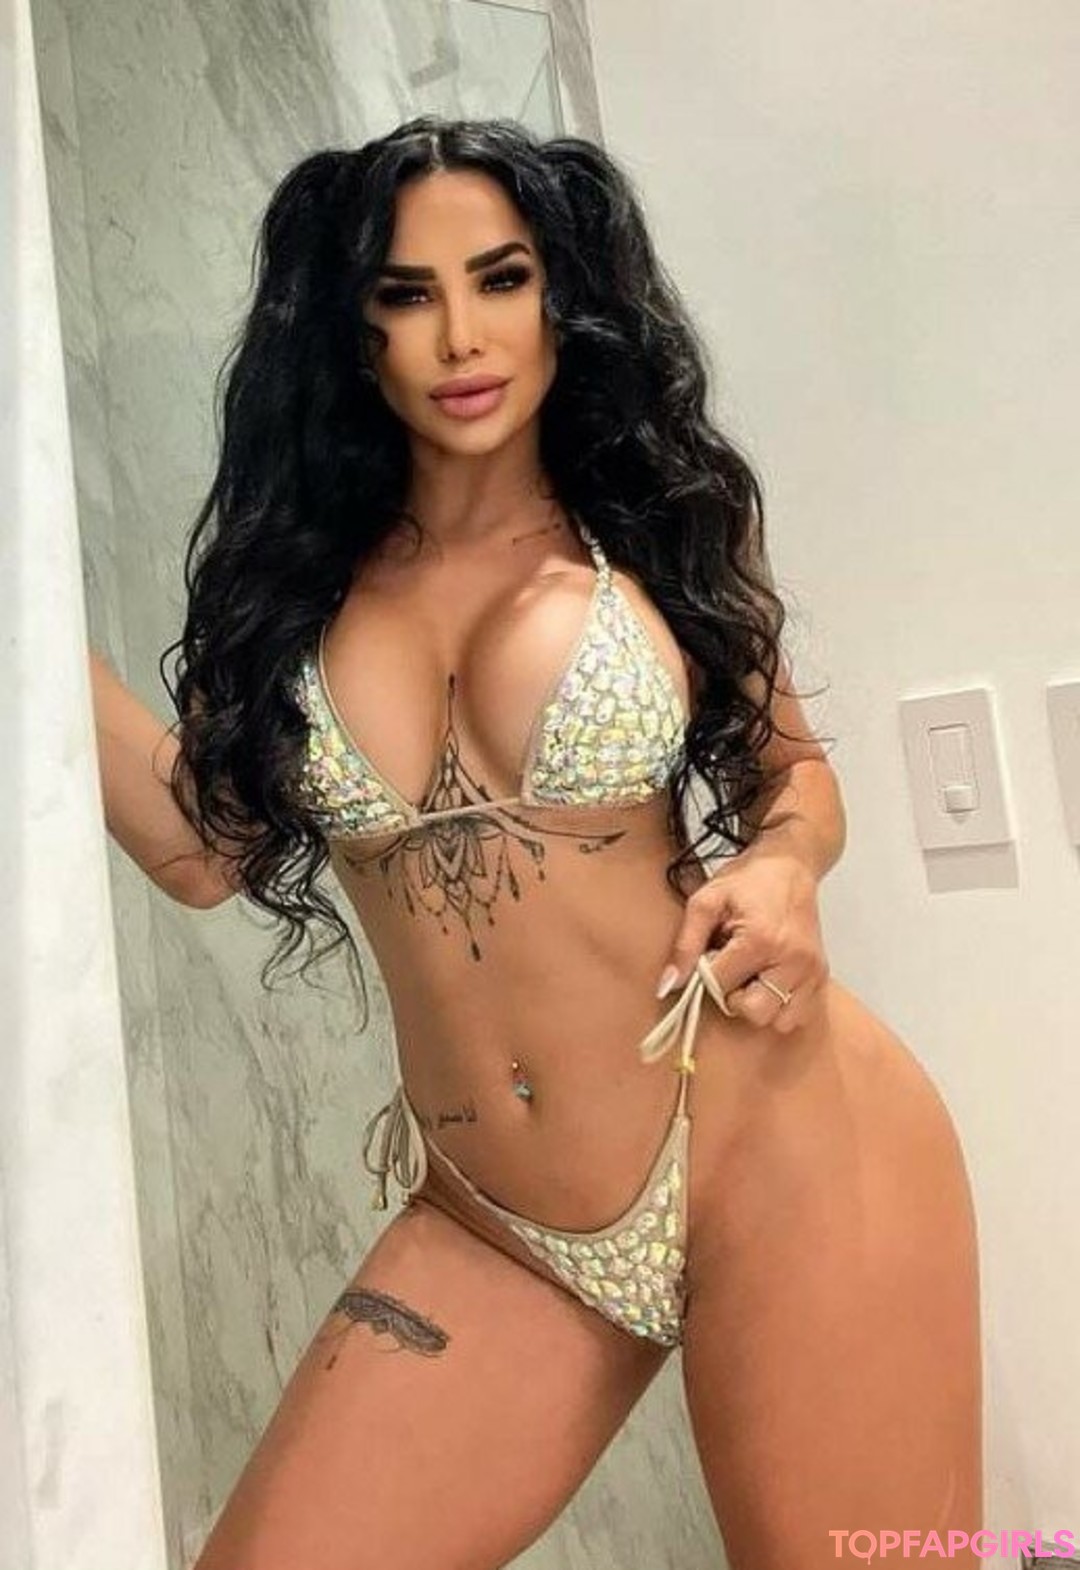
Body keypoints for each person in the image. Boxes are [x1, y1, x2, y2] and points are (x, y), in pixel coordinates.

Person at [90, 117, 982, 1569]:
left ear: (563, 296)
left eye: (500, 279)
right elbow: (202, 851)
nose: (461, 335)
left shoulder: (661, 521)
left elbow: (794, 779)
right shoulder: (291, 586)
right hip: (496, 1223)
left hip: (779, 1141)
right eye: (407, 293)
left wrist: (781, 868)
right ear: (352, 327)